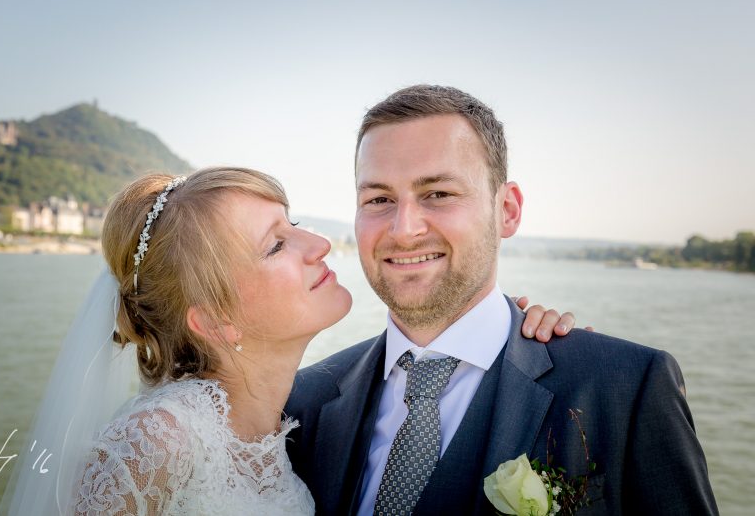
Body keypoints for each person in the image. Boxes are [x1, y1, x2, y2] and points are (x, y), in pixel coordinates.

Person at [0, 166, 576, 515]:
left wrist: (513, 332)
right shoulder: (158, 441)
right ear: (217, 321)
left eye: (293, 223)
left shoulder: (296, 417)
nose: (318, 244)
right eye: (276, 245)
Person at [285, 85, 718, 515]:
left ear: (507, 210)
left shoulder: (625, 389)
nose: (403, 229)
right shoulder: (301, 402)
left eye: (438, 193)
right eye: (379, 199)